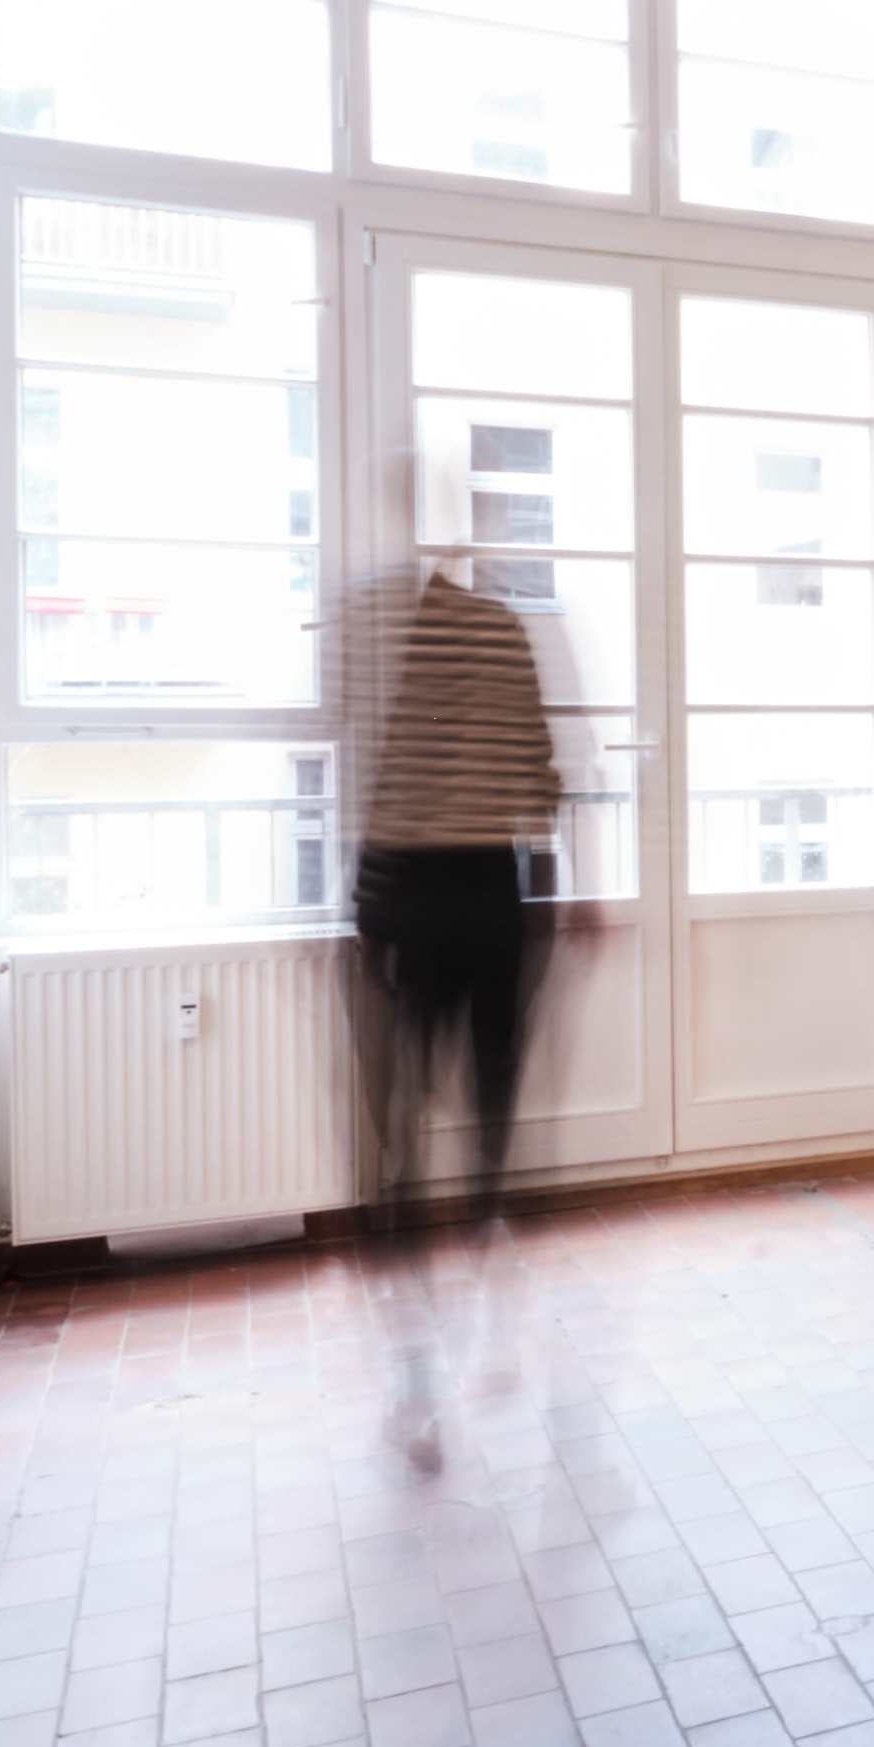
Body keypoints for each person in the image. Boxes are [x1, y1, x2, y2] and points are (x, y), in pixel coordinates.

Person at [346, 562, 563, 1469]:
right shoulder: (497, 629)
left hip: (421, 901)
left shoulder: (383, 635)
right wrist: (549, 897)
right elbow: (540, 777)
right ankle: (475, 1298)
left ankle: (423, 1370)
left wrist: (365, 922)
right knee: (483, 1125)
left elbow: (381, 784)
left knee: (405, 1146)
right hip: (486, 897)